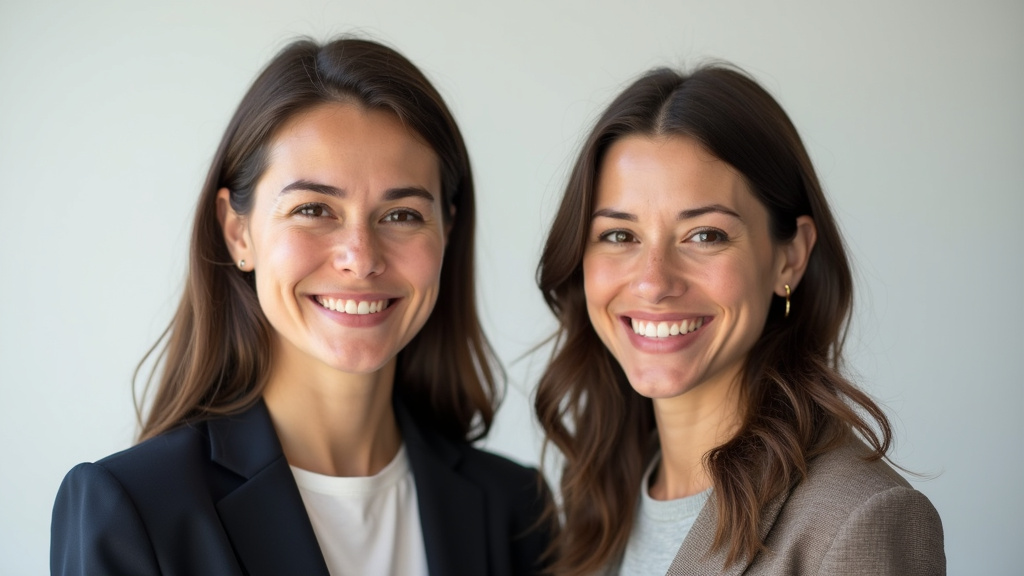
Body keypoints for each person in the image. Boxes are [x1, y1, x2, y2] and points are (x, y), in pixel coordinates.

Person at [51, 37, 552, 576]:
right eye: (314, 208)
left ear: (447, 232)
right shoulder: (136, 508)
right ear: (238, 231)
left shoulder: (514, 507)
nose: (360, 259)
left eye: (403, 215)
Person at [534, 65, 944, 576]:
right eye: (620, 236)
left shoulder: (857, 519)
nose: (654, 282)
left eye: (705, 235)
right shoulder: (595, 501)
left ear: (789, 257)